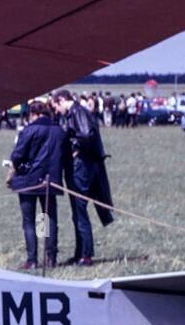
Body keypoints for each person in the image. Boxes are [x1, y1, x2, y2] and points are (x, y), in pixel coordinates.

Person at [53, 88, 113, 266]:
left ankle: (86, 255)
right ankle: (80, 253)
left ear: (62, 100)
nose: (56, 111)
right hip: (80, 167)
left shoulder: (78, 112)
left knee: (80, 211)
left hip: (82, 168)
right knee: (77, 213)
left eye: (56, 106)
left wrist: (75, 149)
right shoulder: (74, 113)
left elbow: (86, 135)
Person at [7, 102, 65, 269]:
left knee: (29, 221)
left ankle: (32, 260)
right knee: (46, 219)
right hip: (51, 180)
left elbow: (17, 155)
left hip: (28, 180)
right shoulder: (59, 130)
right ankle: (50, 258)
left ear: (34, 113)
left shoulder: (29, 129)